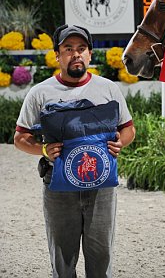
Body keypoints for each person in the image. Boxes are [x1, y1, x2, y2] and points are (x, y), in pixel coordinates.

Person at [13, 24, 136, 278]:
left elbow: (129, 129)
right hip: (57, 188)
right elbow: (20, 137)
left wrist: (120, 142)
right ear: (57, 55)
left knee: (101, 259)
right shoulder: (40, 93)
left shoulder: (108, 89)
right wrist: (43, 149)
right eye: (68, 49)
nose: (76, 54)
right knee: (63, 261)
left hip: (101, 189)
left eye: (81, 48)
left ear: (90, 54)